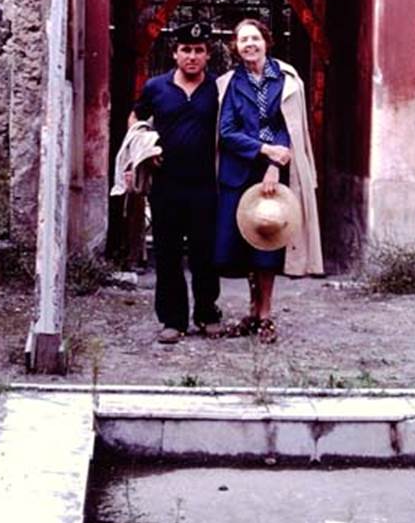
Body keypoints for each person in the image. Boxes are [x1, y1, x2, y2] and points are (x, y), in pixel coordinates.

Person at [215, 18, 323, 343]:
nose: (250, 44)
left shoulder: (287, 80)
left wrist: (275, 163)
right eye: (243, 40)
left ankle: (265, 314)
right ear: (236, 47)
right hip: (239, 170)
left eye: (255, 38)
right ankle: (252, 309)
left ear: (266, 41)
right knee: (245, 240)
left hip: (277, 170)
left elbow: (289, 126)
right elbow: (227, 131)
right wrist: (264, 149)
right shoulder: (229, 84)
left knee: (269, 237)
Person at [128, 20, 222, 344]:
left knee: (204, 252)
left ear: (208, 54)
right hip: (166, 184)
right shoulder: (156, 87)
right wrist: (145, 147)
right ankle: (173, 320)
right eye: (186, 50)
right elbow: (136, 118)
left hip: (205, 184)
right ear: (175, 53)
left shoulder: (218, 89)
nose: (192, 56)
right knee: (167, 254)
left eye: (198, 50)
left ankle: (207, 314)